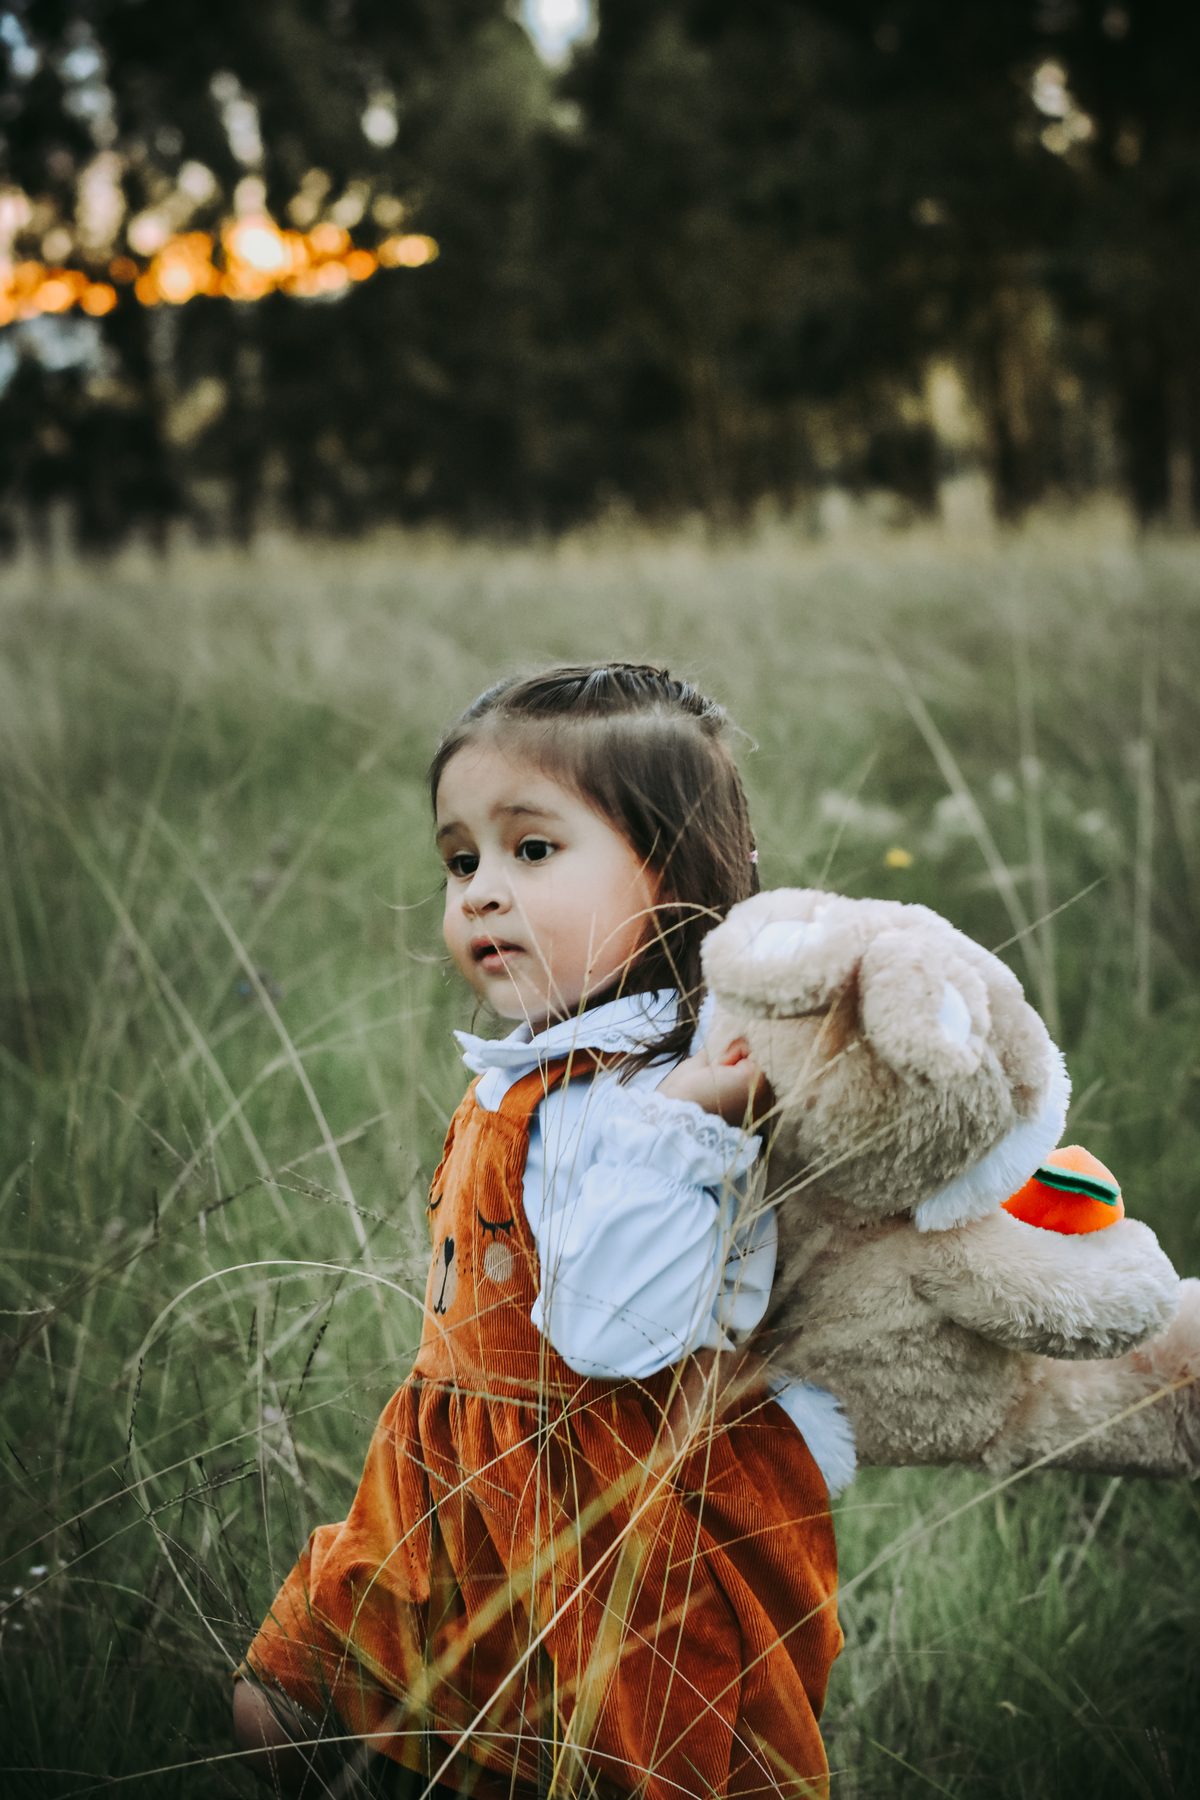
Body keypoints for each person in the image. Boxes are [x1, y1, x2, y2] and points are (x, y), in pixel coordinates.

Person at [233, 663, 842, 1799]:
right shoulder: (546, 1069)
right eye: (461, 860)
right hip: (456, 1495)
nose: (480, 893)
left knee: (595, 1767)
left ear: (674, 875)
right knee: (286, 1703)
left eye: (532, 849)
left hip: (618, 1535)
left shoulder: (673, 1100)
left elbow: (613, 1333)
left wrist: (685, 1118)